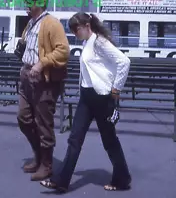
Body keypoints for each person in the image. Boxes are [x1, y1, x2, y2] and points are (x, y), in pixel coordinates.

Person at [40, 12, 132, 193]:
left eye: (76, 29)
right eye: (72, 30)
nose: (74, 33)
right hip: (87, 97)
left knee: (109, 141)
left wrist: (116, 90)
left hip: (102, 97)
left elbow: (124, 61)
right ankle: (61, 180)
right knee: (75, 139)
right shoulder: (87, 42)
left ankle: (122, 179)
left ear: (86, 26)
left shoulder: (99, 42)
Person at [17, 0, 70, 181]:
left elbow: (63, 51)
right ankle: (38, 155)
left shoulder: (51, 23)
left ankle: (46, 165)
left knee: (43, 123)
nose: (27, 4)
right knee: (23, 118)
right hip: (26, 77)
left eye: (30, 0)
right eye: (26, 0)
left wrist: (41, 64)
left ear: (41, 2)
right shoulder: (31, 23)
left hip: (43, 80)